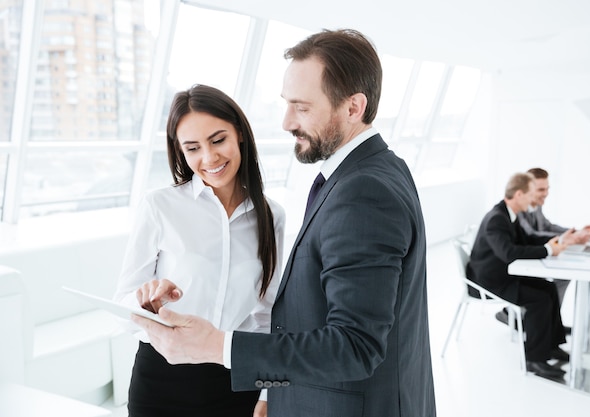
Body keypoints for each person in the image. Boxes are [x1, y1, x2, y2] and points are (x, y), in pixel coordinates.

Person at [131, 29, 436, 417]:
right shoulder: (377, 171)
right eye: (286, 104)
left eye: (302, 107)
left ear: (353, 107)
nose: (287, 122)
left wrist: (217, 346)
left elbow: (355, 344)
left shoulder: (362, 191)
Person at [114, 84, 285, 417]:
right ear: (180, 152)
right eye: (193, 148)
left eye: (218, 140)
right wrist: (146, 299)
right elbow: (122, 307)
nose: (209, 158)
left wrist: (268, 392)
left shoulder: (271, 216)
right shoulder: (159, 206)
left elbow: (268, 317)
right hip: (161, 382)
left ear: (240, 134)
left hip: (236, 381)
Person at [467, 172, 570, 379]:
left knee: (548, 288)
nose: (534, 199)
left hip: (502, 274)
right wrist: (548, 251)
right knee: (539, 300)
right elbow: (509, 253)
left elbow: (527, 239)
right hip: (490, 281)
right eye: (532, 194)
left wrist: (555, 241)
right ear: (519, 194)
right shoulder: (497, 219)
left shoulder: (508, 214)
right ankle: (534, 359)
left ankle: (550, 345)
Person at [518, 167, 590, 305]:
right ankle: (544, 320)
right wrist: (564, 239)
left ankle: (551, 319)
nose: (546, 193)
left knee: (565, 275)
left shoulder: (536, 205)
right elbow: (531, 234)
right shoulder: (518, 209)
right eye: (541, 190)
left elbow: (548, 226)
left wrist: (575, 233)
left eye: (547, 189)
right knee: (562, 275)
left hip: (540, 253)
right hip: (525, 259)